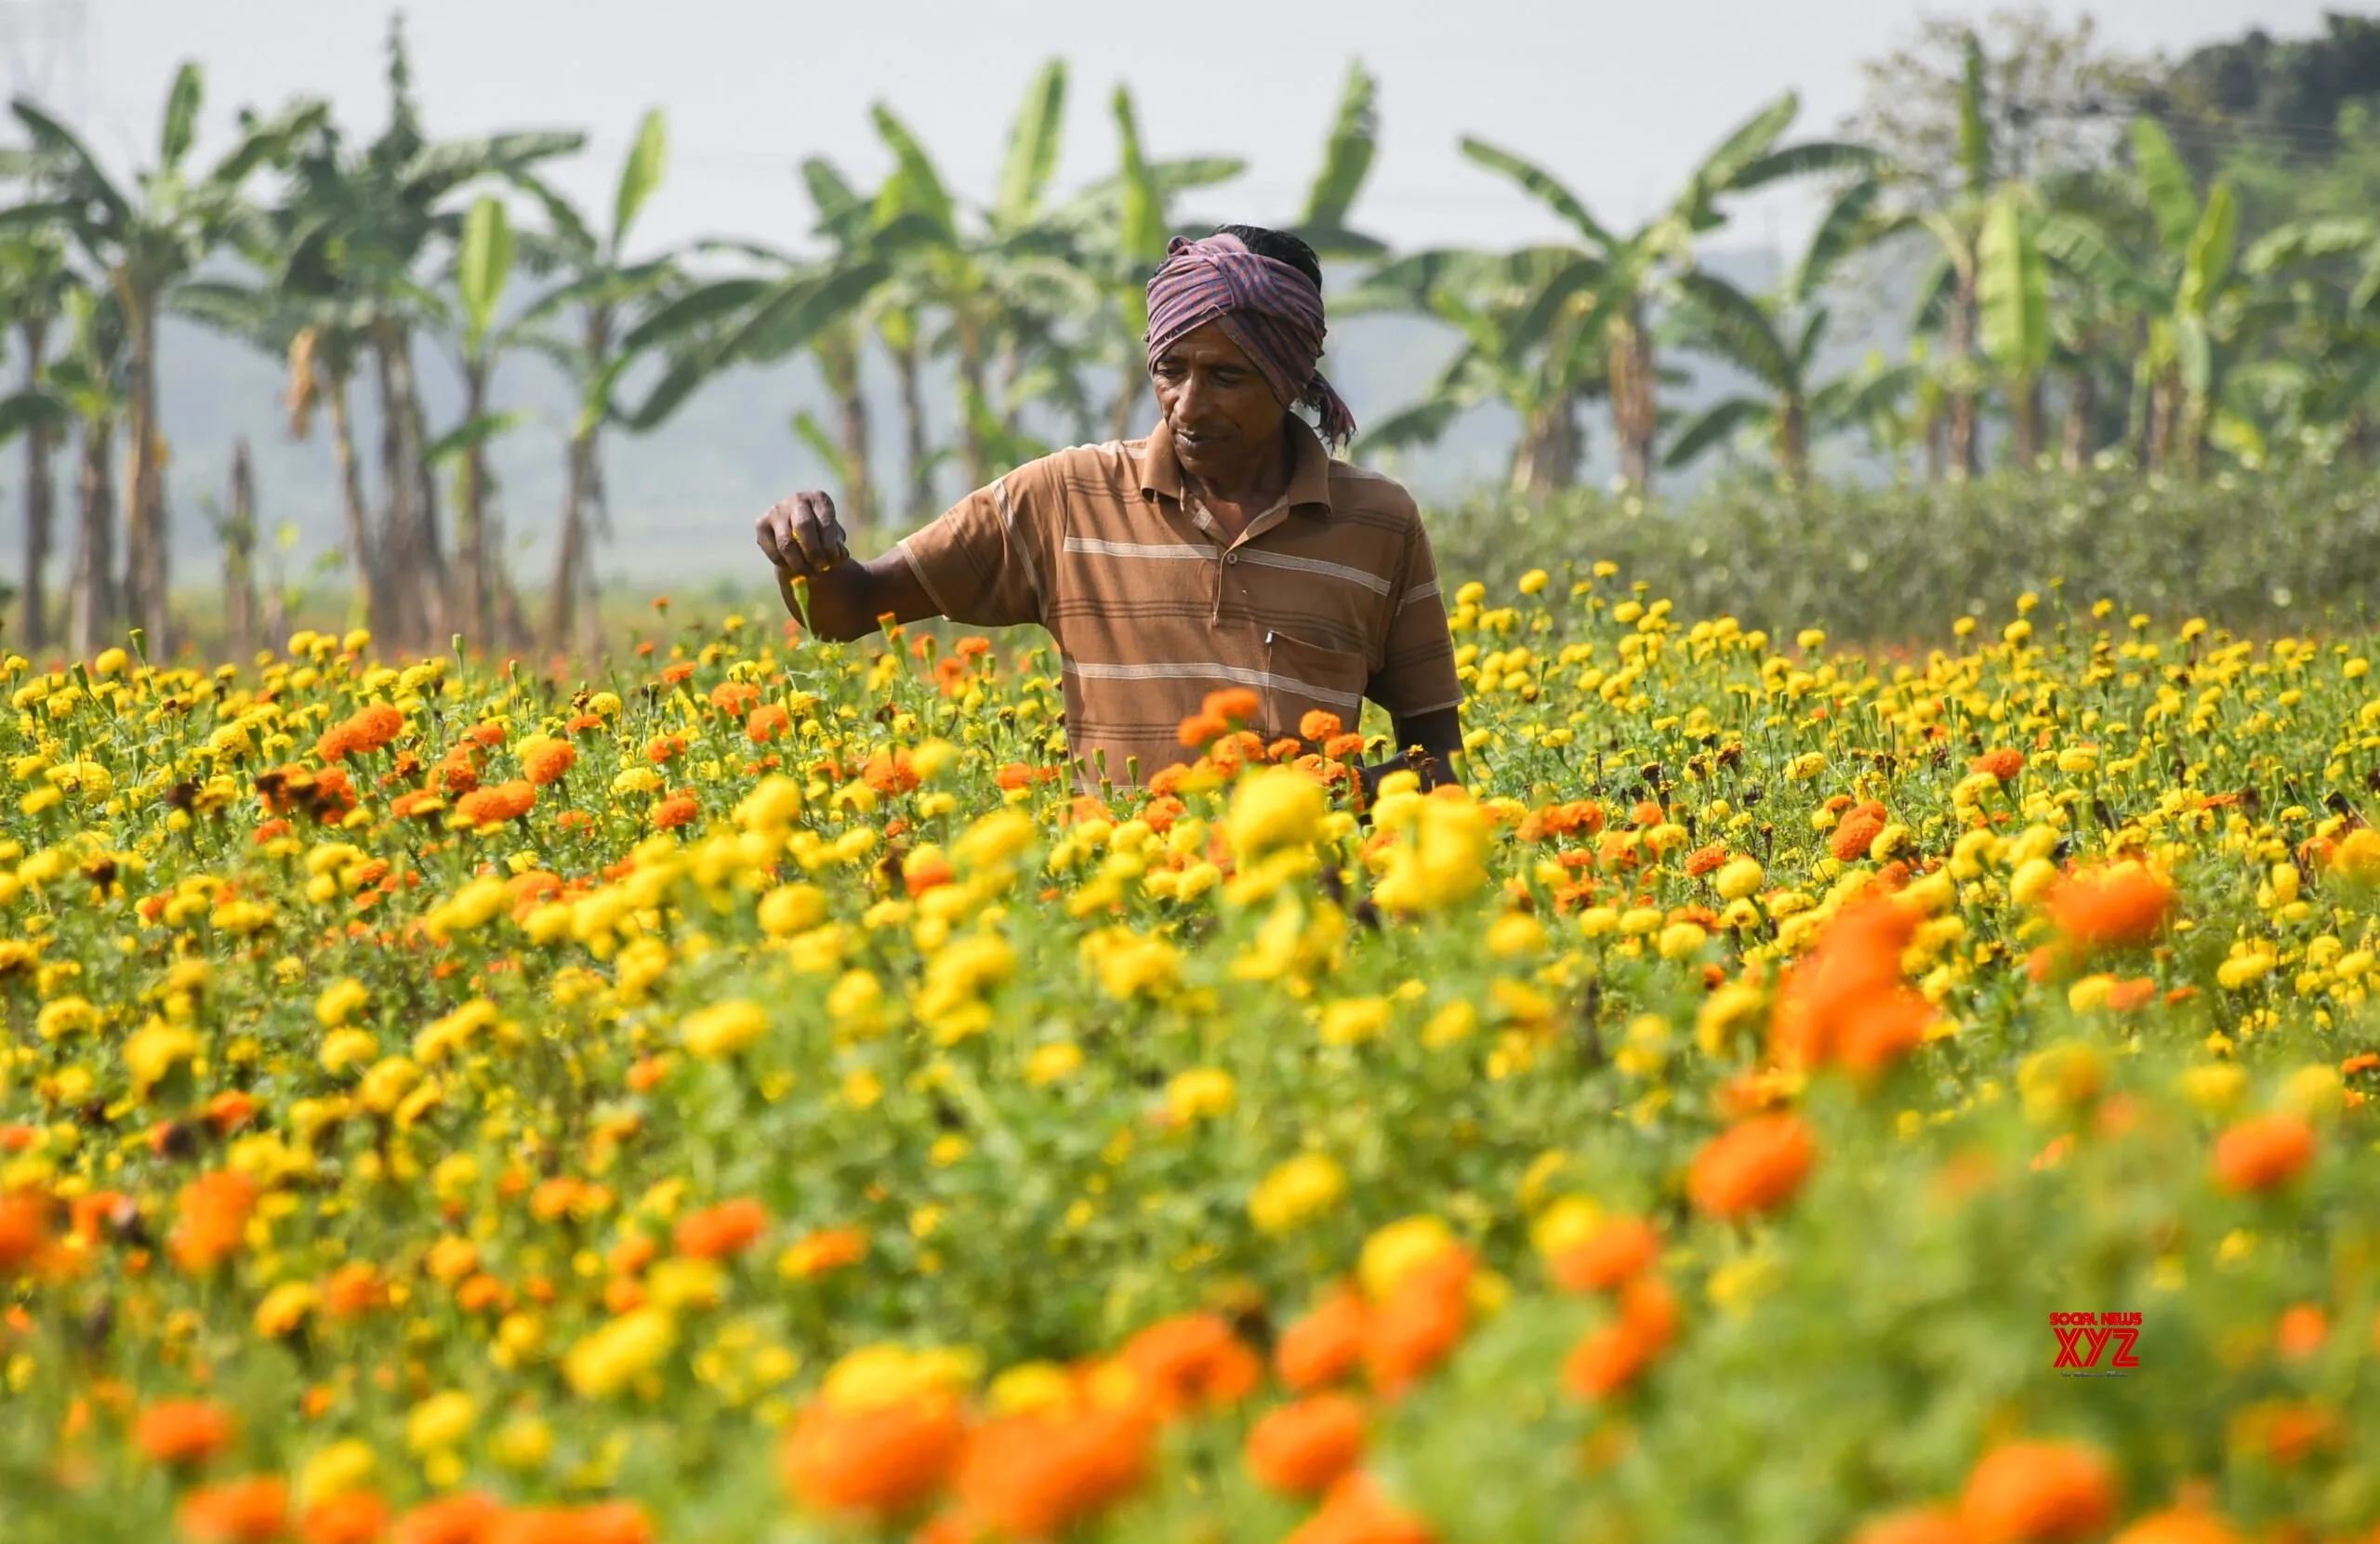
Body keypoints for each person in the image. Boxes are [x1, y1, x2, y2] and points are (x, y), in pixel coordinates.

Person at [755, 223, 1465, 791]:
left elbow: (1435, 755)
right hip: (1117, 922)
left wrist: (1330, 800)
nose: (1189, 404)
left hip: (1304, 930)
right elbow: (850, 609)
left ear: (1290, 377)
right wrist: (808, 556)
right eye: (1170, 369)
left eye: (1226, 377)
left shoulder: (1378, 523)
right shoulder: (1064, 497)